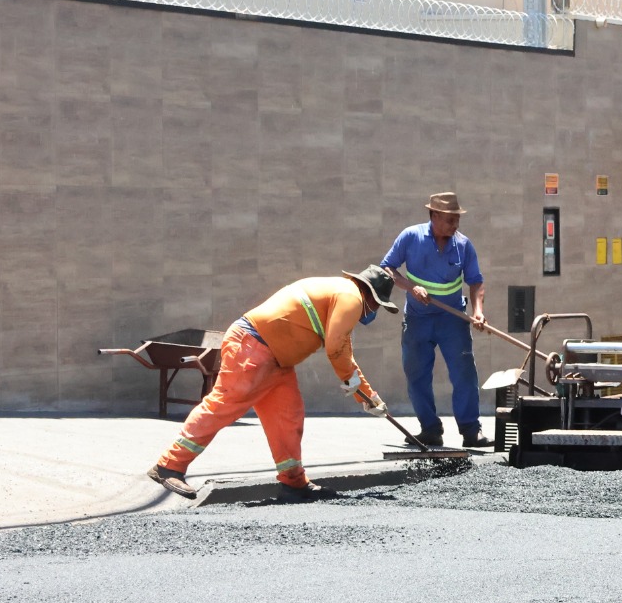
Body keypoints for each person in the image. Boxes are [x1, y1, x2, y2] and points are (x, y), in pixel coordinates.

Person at [147, 266, 398, 501]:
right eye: (378, 305)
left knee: (288, 417)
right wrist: (357, 389)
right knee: (223, 405)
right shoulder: (351, 297)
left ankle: (293, 482)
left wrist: (367, 395)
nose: (375, 310)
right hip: (253, 347)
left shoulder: (341, 291)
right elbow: (336, 349)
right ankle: (169, 466)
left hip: (275, 359)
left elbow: (343, 347)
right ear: (372, 295)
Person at [381, 192, 489, 448]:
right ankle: (430, 429)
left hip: (452, 320)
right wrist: (411, 288)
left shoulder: (463, 245)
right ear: (434, 216)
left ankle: (471, 431)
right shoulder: (411, 237)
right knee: (416, 375)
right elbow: (387, 268)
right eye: (450, 220)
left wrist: (478, 311)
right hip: (418, 320)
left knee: (464, 374)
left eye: (457, 220)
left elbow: (475, 282)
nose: (455, 226)